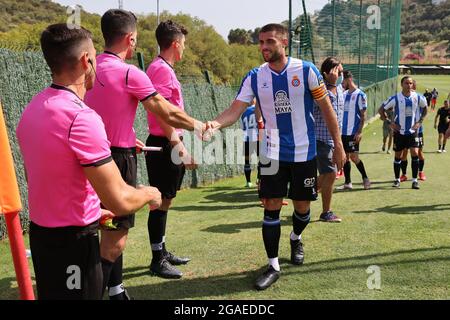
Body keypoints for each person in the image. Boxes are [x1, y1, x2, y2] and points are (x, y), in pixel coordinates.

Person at [16, 24, 162, 300]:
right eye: (94, 56)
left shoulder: (32, 109)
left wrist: (93, 210)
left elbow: (53, 175)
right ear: (86, 61)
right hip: (74, 244)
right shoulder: (81, 117)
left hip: (42, 237)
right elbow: (119, 199)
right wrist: (149, 194)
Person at [206, 23, 345, 291]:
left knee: (302, 208)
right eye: (260, 42)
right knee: (271, 204)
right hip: (271, 153)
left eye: (269, 41)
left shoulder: (306, 70)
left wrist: (338, 144)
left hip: (304, 152)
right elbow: (235, 110)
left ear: (284, 43)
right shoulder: (255, 76)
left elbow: (326, 109)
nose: (264, 47)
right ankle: (273, 265)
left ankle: (295, 237)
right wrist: (215, 123)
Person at [84, 10, 207, 299]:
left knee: (105, 224)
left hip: (93, 153)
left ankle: (116, 290)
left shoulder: (88, 68)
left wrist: (126, 136)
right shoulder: (130, 72)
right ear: (131, 38)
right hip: (116, 158)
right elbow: (163, 110)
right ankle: (101, 291)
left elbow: (93, 113)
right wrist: (197, 125)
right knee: (116, 234)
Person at [145, 20, 197, 279]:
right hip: (164, 143)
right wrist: (178, 145)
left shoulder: (163, 68)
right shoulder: (161, 70)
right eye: (184, 44)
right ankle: (157, 259)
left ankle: (161, 251)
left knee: (165, 200)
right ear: (175, 44)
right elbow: (161, 111)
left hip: (168, 142)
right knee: (159, 201)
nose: (184, 48)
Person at [378, 76, 427, 190]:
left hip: (412, 131)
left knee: (415, 152)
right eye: (406, 83)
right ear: (402, 85)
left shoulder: (418, 97)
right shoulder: (395, 98)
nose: (409, 85)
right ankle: (397, 179)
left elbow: (425, 108)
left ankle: (414, 181)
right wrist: (389, 122)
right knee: (398, 155)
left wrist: (419, 122)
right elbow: (381, 110)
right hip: (399, 132)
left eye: (410, 83)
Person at [313, 57, 344, 223]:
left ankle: (304, 193)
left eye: (340, 71)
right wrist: (329, 83)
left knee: (327, 175)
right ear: (326, 73)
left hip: (334, 141)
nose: (340, 74)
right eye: (337, 71)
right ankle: (326, 213)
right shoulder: (320, 90)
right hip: (321, 139)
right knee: (330, 174)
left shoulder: (339, 89)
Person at [337, 70, 370, 191]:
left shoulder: (360, 95)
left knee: (354, 157)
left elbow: (363, 115)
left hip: (353, 132)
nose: (341, 83)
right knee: (345, 157)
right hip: (342, 132)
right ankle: (348, 182)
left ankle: (365, 178)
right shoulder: (344, 94)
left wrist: (359, 131)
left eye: (342, 81)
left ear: (348, 79)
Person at [240, 99, 259, 188]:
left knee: (247, 161)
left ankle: (248, 182)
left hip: (247, 138)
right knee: (263, 160)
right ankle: (259, 179)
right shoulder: (259, 109)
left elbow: (242, 128)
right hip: (258, 137)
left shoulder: (243, 113)